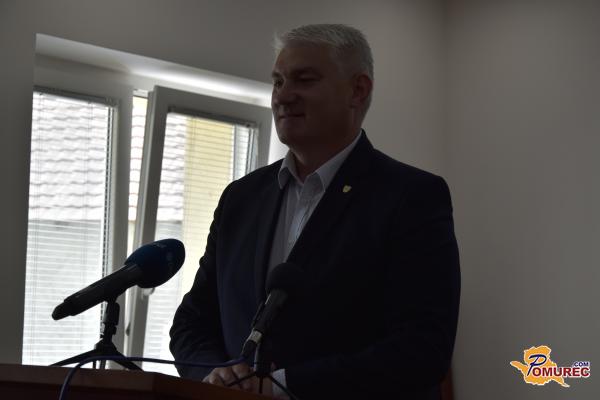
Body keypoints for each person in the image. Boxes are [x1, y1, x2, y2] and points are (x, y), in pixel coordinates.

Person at [170, 24, 460, 399]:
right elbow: (191, 322)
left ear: (358, 90)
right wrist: (215, 373)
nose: (282, 96)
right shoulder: (240, 198)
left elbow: (423, 348)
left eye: (304, 80)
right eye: (277, 82)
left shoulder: (411, 197)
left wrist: (283, 386)